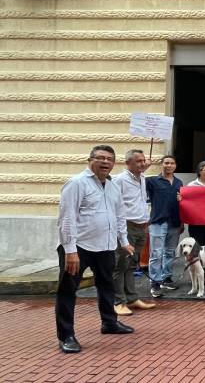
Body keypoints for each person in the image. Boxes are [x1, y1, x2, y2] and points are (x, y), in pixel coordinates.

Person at [56, 145, 135, 354]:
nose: (106, 162)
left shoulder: (113, 186)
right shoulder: (76, 184)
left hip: (106, 246)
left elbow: (119, 216)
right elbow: (66, 219)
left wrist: (124, 241)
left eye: (110, 159)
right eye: (101, 158)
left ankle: (109, 323)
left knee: (107, 286)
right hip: (79, 248)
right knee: (67, 292)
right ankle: (66, 336)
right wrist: (70, 250)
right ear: (90, 160)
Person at [111, 149, 156, 316]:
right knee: (119, 265)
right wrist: (120, 230)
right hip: (126, 227)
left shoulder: (142, 178)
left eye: (143, 160)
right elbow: (114, 205)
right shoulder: (119, 180)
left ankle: (131, 298)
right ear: (127, 163)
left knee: (131, 265)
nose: (143, 163)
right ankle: (118, 302)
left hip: (141, 226)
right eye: (138, 161)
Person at [146, 155, 183, 297]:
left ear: (175, 166)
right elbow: (137, 182)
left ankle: (166, 278)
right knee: (155, 253)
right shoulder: (152, 181)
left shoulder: (179, 183)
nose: (169, 165)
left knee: (170, 252)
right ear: (161, 165)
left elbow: (183, 205)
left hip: (174, 222)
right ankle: (154, 282)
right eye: (166, 163)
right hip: (157, 221)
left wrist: (182, 222)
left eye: (172, 163)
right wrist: (145, 167)